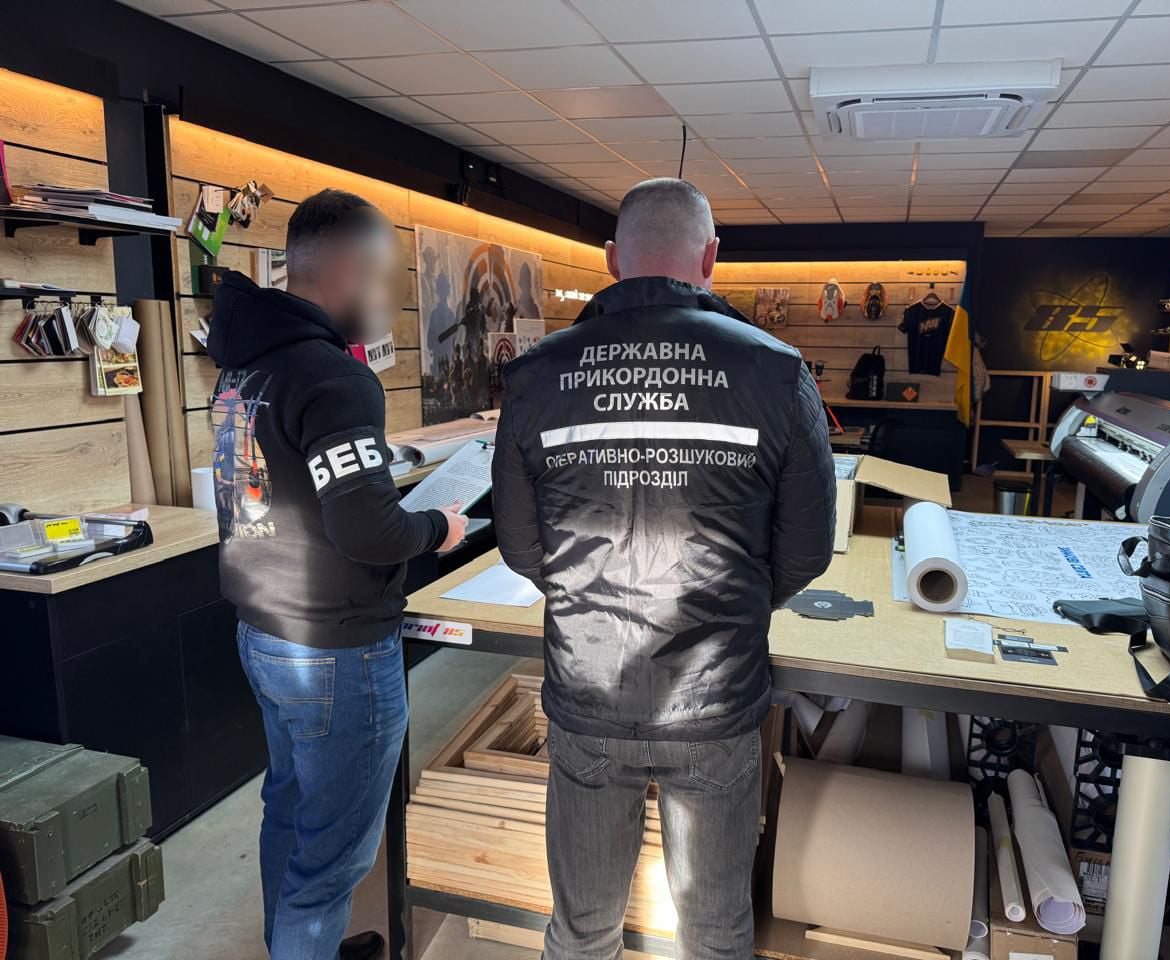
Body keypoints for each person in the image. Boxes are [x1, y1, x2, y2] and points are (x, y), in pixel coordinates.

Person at [492, 178, 837, 960]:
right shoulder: (777, 372)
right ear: (710, 258)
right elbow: (806, 550)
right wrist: (735, 600)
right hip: (715, 697)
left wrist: (586, 597)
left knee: (581, 931)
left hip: (588, 690)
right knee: (714, 933)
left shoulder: (537, 375)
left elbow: (520, 546)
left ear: (613, 259)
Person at [207, 188, 467, 960]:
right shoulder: (335, 378)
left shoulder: (242, 369)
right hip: (336, 651)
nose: (385, 301)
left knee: (290, 815)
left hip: (264, 633)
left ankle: (294, 947)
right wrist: (440, 527)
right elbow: (368, 529)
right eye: (382, 280)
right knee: (331, 860)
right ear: (349, 271)